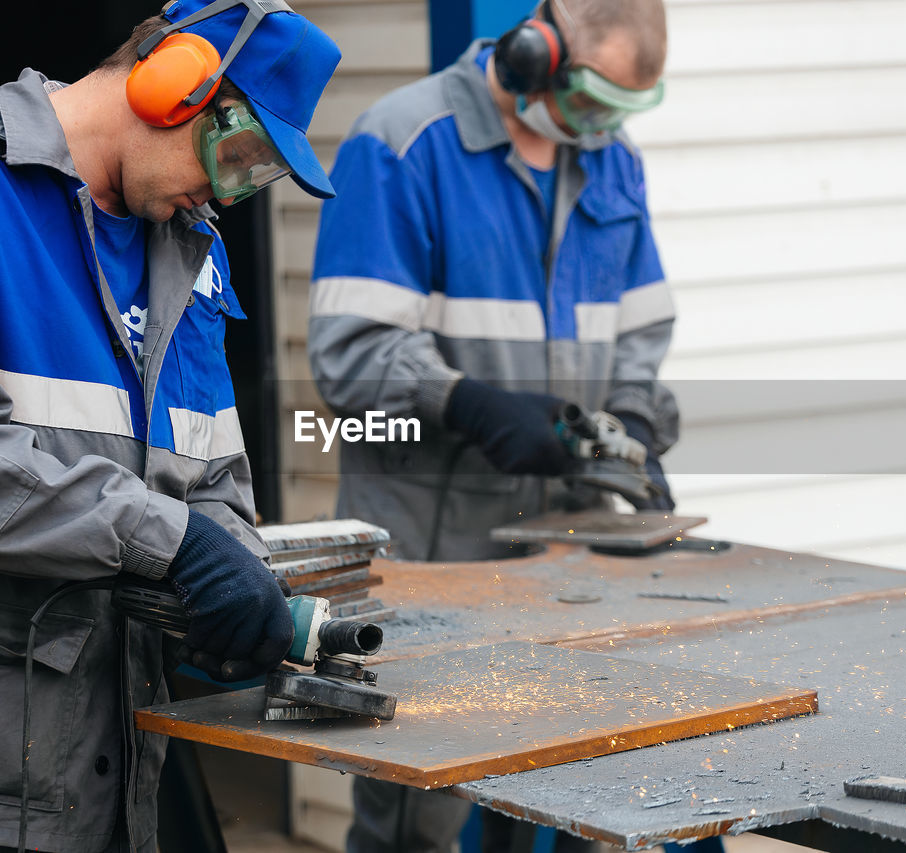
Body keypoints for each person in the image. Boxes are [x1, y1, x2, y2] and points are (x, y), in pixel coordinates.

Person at [0, 1, 339, 851]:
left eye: (256, 178)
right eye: (236, 156)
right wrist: (174, 546)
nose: (228, 193)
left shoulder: (187, 253)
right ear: (174, 85)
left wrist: (231, 583)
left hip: (114, 775)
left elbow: (209, 479)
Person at [308, 1, 688, 850]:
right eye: (590, 101)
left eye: (620, 113)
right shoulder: (402, 144)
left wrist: (628, 417)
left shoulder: (611, 163)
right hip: (436, 552)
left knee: (576, 797)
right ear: (532, 53)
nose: (599, 129)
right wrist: (466, 402)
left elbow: (640, 328)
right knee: (417, 815)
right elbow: (347, 354)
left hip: (565, 552)